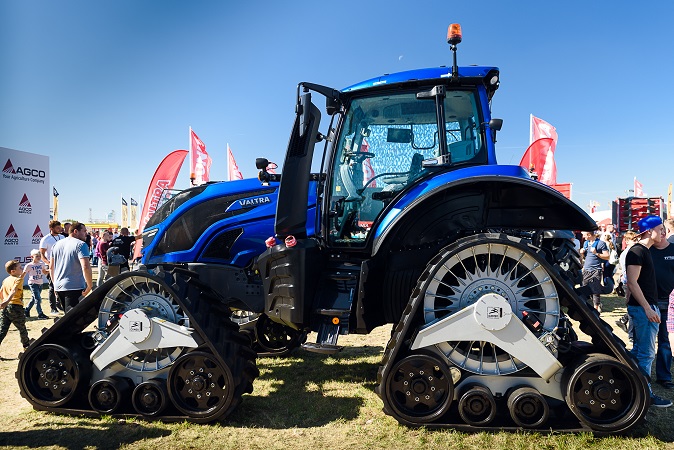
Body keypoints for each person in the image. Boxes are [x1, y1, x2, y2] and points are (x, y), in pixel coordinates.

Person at [625, 215, 671, 407]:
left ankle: (631, 389)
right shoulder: (637, 251)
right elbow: (632, 283)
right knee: (646, 354)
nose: (663, 232)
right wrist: (647, 309)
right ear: (649, 231)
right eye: (660, 229)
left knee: (638, 352)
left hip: (647, 308)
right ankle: (646, 396)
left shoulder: (645, 251)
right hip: (644, 309)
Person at [650, 221, 674, 389]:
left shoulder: (673, 249)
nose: (663, 233)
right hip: (649, 304)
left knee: (665, 342)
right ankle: (641, 375)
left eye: (664, 230)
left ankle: (664, 377)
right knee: (646, 344)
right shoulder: (646, 252)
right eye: (659, 230)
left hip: (669, 304)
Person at [50, 222, 93, 313]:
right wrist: (89, 285)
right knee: (74, 319)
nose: (86, 233)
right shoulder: (81, 244)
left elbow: (51, 267)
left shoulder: (56, 244)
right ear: (75, 231)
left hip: (59, 285)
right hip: (74, 286)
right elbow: (85, 266)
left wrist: (55, 285)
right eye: (84, 231)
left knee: (68, 316)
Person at [0, 260, 31, 353]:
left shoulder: (6, 280)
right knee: (22, 329)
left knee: (2, 330)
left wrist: (4, 302)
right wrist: (7, 301)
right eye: (20, 267)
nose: (22, 268)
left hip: (6, 308)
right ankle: (26, 348)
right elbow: (13, 290)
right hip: (15, 306)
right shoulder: (18, 279)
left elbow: (1, 292)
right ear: (13, 271)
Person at [579, 230, 609, 313]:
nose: (583, 237)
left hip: (596, 269)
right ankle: (584, 307)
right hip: (586, 269)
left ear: (589, 234)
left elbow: (607, 256)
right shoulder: (586, 243)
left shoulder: (600, 243)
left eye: (584, 235)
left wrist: (596, 253)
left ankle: (596, 307)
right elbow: (584, 257)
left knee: (595, 290)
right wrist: (581, 253)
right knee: (584, 289)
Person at [39, 220, 65, 314]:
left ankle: (60, 304)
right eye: (57, 227)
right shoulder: (45, 239)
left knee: (62, 285)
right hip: (51, 266)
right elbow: (42, 254)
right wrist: (48, 263)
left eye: (60, 227)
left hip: (62, 265)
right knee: (52, 286)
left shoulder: (62, 237)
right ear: (51, 228)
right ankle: (53, 307)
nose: (60, 229)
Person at [23, 250, 49, 320]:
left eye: (39, 256)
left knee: (33, 299)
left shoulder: (42, 264)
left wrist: (51, 269)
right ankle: (40, 314)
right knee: (38, 299)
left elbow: (44, 272)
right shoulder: (29, 265)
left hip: (40, 283)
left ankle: (26, 310)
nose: (39, 257)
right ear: (32, 257)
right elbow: (23, 274)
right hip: (33, 283)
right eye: (37, 256)